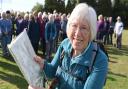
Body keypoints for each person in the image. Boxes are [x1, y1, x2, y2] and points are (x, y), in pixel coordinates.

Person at [28, 3, 108, 89]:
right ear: (69, 26)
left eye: (84, 27)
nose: (77, 33)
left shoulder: (99, 60)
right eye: (74, 25)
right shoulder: (65, 44)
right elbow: (52, 71)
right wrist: (43, 64)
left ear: (91, 31)